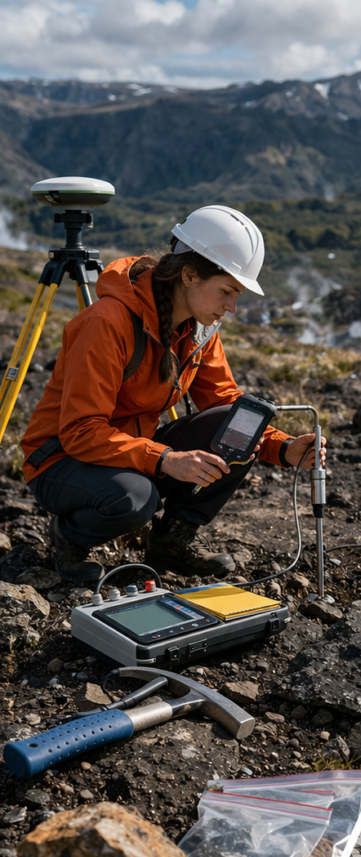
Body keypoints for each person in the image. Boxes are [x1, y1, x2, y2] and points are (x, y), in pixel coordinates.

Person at [21, 205, 324, 585]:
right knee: (137, 499)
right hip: (61, 460)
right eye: (227, 291)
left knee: (241, 425)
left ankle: (171, 542)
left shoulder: (198, 330)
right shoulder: (107, 323)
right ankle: (69, 538)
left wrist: (284, 448)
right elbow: (81, 431)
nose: (232, 308)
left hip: (129, 452)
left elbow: (225, 401)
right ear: (189, 275)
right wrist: (166, 459)